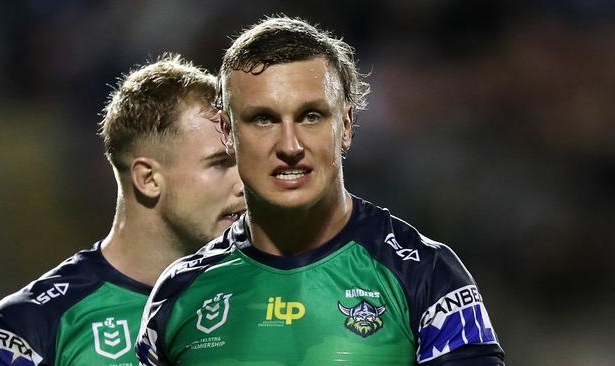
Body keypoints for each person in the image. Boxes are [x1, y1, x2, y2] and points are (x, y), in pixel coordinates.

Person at [137, 17, 505, 365]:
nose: (290, 145)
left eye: (311, 116)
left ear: (345, 125)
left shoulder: (426, 276)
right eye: (263, 119)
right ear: (227, 132)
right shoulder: (177, 296)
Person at [0, 54, 245, 365]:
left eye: (243, 160)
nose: (243, 182)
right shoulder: (33, 327)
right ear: (148, 179)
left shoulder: (263, 298)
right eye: (221, 163)